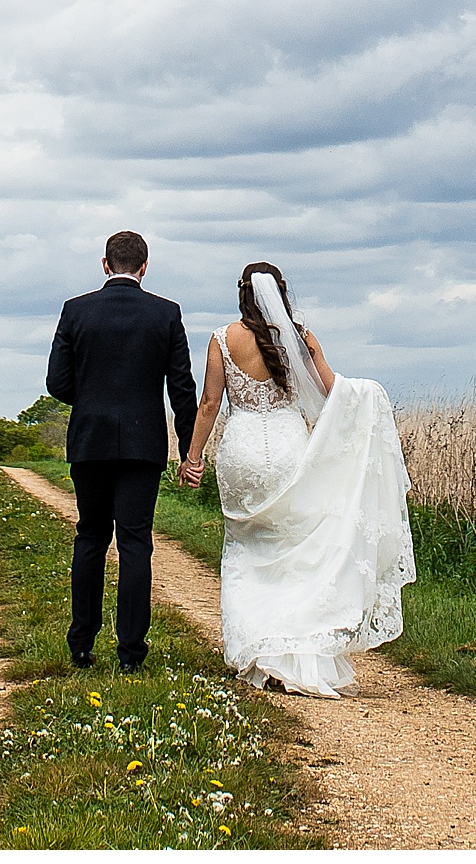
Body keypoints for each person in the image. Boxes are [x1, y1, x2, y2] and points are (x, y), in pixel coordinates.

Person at [177, 262, 415, 697]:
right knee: (293, 551)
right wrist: (369, 395)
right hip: (289, 449)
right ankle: (296, 648)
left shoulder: (221, 339)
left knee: (247, 551)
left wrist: (192, 458)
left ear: (242, 294)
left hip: (243, 453)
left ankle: (258, 651)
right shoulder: (300, 338)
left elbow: (210, 403)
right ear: (281, 293)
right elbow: (331, 393)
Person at [45, 230, 198, 673]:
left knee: (91, 536)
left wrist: (92, 400)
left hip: (89, 440)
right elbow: (181, 388)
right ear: (145, 267)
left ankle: (82, 643)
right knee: (135, 541)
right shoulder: (166, 314)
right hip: (143, 442)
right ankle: (131, 651)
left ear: (105, 264)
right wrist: (189, 450)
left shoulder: (76, 310)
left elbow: (57, 382)